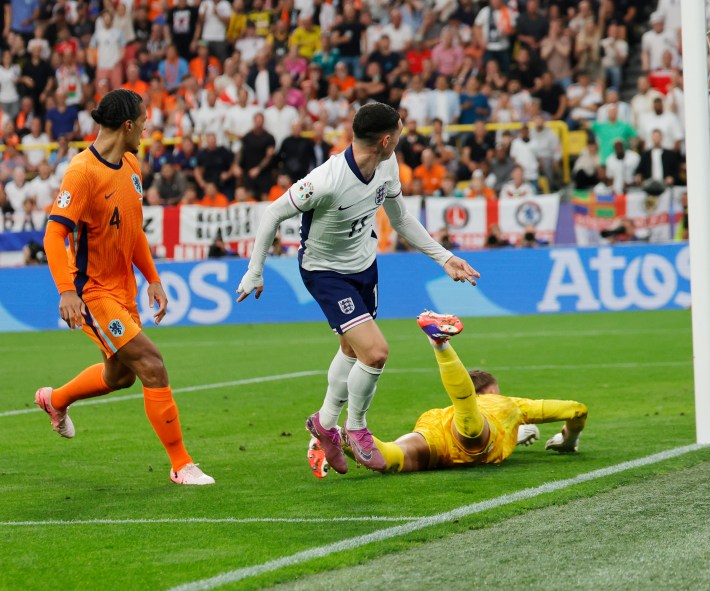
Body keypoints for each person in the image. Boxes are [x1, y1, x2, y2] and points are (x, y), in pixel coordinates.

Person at [236, 102, 479, 473]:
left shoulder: (387, 164)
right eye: (398, 132)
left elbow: (400, 218)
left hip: (365, 266)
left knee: (351, 350)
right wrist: (256, 270)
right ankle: (356, 428)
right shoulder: (327, 180)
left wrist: (443, 257)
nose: (401, 137)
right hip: (325, 272)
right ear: (385, 140)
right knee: (376, 352)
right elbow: (272, 212)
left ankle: (325, 423)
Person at [37, 89, 214, 485]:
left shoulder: (132, 164)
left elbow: (132, 231)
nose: (149, 127)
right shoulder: (82, 172)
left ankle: (55, 399)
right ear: (128, 125)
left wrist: (152, 278)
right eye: (145, 120)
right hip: (92, 293)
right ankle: (181, 465)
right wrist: (66, 291)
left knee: (120, 376)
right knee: (152, 364)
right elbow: (53, 235)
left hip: (123, 290)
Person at [308, 312, 587, 476]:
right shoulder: (505, 403)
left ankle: (333, 433)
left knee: (391, 457)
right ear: (488, 391)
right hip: (467, 430)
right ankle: (440, 344)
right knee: (471, 424)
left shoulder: (500, 417)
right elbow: (576, 410)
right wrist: (568, 438)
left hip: (438, 432)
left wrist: (518, 432)